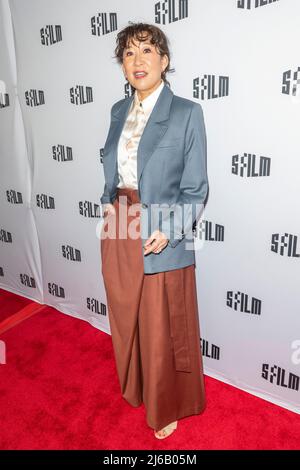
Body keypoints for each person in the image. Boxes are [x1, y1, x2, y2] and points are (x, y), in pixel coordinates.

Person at [100, 22, 208, 439]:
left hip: (161, 228)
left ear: (164, 61)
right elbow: (115, 168)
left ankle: (167, 405)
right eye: (129, 53)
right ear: (122, 65)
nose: (138, 60)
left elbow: (196, 187)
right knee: (128, 317)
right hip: (119, 226)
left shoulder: (186, 113)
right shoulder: (116, 111)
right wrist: (111, 207)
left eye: (147, 51)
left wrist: (172, 228)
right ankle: (138, 385)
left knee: (163, 324)